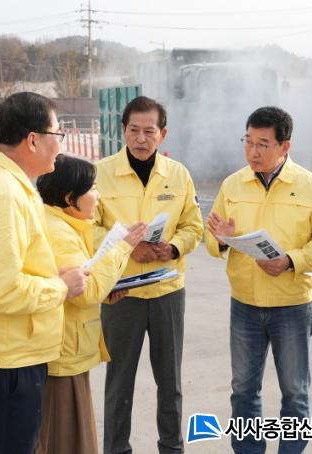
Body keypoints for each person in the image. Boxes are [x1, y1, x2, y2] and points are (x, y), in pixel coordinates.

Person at [0, 92, 89, 453]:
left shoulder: (4, 183)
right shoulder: (1, 194)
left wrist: (49, 273)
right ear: (33, 140)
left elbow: (8, 266)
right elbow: (1, 289)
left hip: (3, 356)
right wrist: (60, 287)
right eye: (58, 133)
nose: (60, 144)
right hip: (1, 362)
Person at [205, 106, 312, 454]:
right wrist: (222, 239)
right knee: (243, 390)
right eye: (248, 142)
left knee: (295, 392)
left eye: (263, 144)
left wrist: (291, 261)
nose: (253, 151)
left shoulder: (311, 187)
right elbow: (211, 238)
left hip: (291, 306)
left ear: (284, 146)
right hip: (245, 305)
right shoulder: (232, 185)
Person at [94, 96, 204, 454]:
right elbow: (87, 229)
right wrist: (126, 247)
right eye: (134, 130)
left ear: (163, 134)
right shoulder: (101, 174)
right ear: (123, 130)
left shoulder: (178, 175)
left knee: (170, 383)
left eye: (149, 131)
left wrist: (173, 248)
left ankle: (171, 448)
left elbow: (194, 226)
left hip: (167, 291)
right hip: (120, 293)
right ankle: (116, 449)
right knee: (119, 382)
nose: (141, 139)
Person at [34, 154, 147, 453]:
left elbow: (78, 282)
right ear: (70, 198)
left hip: (64, 349)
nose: (99, 197)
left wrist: (107, 288)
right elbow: (84, 290)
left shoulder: (61, 223)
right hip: (63, 355)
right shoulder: (59, 233)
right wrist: (123, 247)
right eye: (93, 188)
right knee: (67, 440)